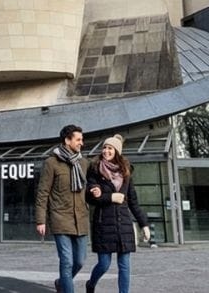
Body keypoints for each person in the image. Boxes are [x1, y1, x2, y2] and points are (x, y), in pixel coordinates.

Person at [36, 124, 99, 293]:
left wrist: (95, 189)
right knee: (67, 261)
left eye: (82, 140)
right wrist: (41, 220)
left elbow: (93, 182)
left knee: (79, 261)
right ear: (67, 140)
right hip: (60, 218)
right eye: (78, 140)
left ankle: (61, 282)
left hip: (81, 219)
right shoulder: (51, 163)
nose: (81, 143)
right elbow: (43, 192)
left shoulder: (84, 163)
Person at [85, 134, 150, 293]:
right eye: (105, 148)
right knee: (104, 264)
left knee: (124, 265)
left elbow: (133, 202)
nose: (106, 151)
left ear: (117, 152)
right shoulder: (95, 169)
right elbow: (89, 197)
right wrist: (109, 197)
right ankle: (91, 284)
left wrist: (144, 224)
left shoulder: (125, 173)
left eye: (110, 148)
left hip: (123, 224)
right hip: (103, 224)